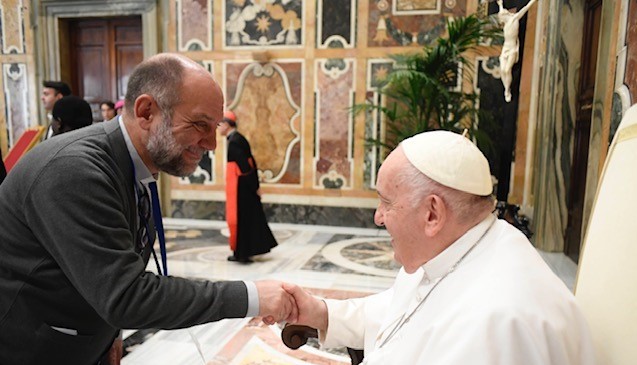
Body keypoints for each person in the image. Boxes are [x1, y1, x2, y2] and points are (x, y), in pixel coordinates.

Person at [0, 53, 297, 365]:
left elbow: (104, 269)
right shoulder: (74, 171)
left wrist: (109, 336)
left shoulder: (133, 165)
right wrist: (251, 297)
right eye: (199, 124)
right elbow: (126, 295)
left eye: (215, 126)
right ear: (146, 112)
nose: (211, 143)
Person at [284, 130, 596, 364]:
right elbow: (400, 314)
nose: (378, 217)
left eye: (386, 202)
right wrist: (322, 313)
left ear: (432, 214)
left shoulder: (497, 323)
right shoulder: (455, 248)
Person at [218, 110, 277, 263]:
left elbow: (246, 167)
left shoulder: (235, 141)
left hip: (242, 190)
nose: (218, 128)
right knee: (245, 220)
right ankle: (241, 252)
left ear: (226, 124)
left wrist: (254, 187)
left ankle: (243, 253)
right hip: (243, 188)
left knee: (242, 220)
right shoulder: (237, 139)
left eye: (219, 125)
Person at [497, 0, 538, 102]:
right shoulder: (506, 23)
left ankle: (507, 90)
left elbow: (525, 9)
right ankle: (506, 88)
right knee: (502, 70)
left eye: (502, 17)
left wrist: (532, 2)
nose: (501, 20)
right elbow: (501, 10)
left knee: (507, 70)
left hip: (512, 49)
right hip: (505, 49)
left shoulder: (515, 19)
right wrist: (500, 4)